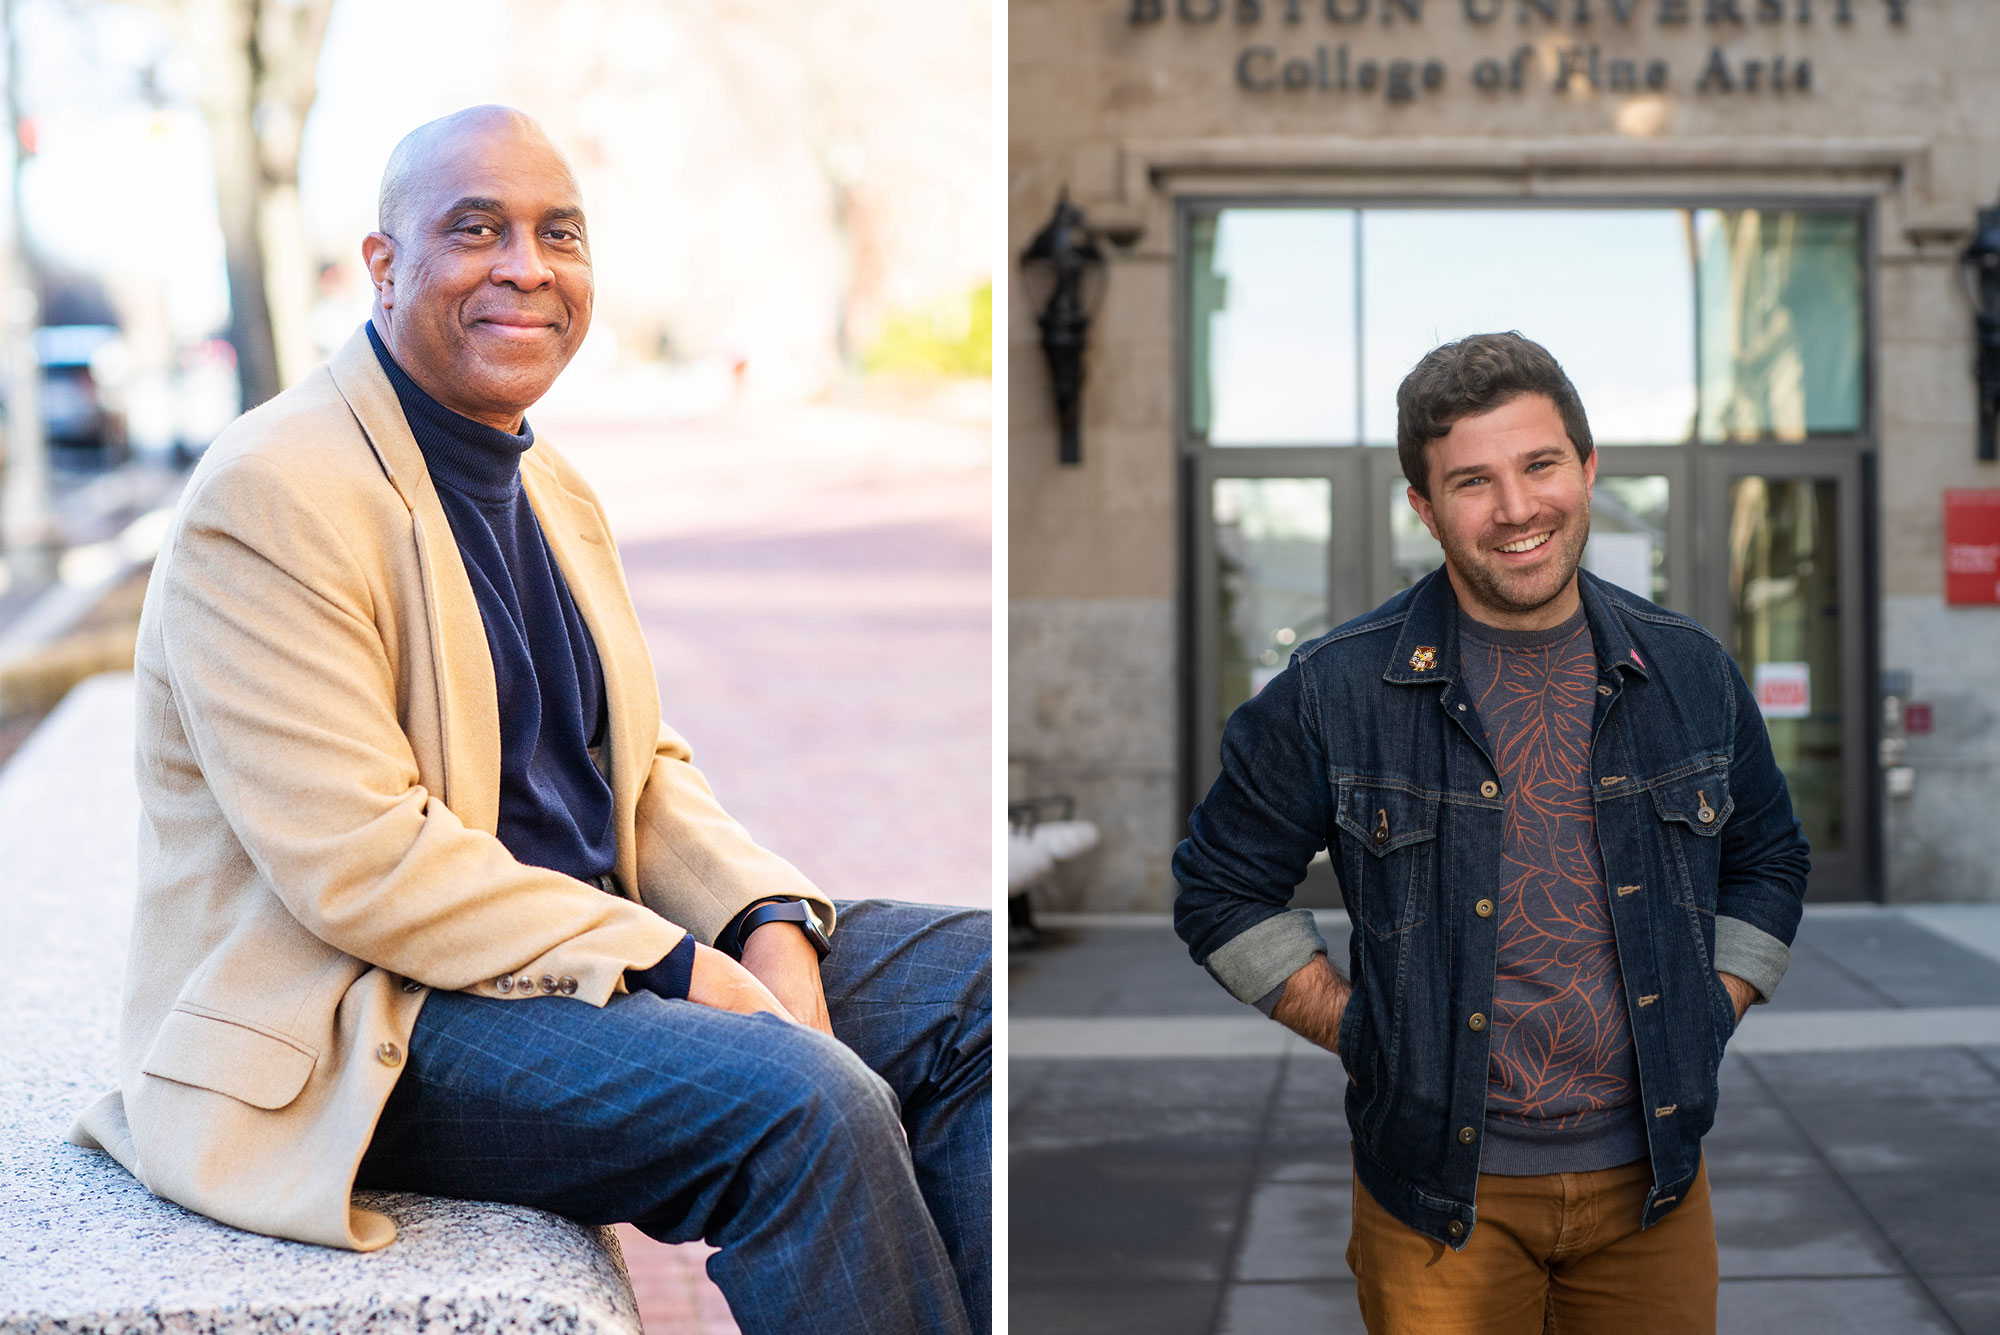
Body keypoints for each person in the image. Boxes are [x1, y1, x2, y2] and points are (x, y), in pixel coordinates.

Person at [68, 106, 989, 1335]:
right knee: (797, 1103)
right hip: (366, 1016)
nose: (526, 265)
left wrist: (762, 918)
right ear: (383, 266)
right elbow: (362, 861)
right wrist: (673, 963)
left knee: (978, 992)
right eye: (476, 230)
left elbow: (638, 767)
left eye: (558, 232)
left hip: (567, 954)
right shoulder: (270, 492)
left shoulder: (547, 480)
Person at [1172, 331, 1809, 1334]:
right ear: (1424, 509)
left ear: (1587, 470)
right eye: (1471, 482)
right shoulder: (1336, 689)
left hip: (1655, 1185)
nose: (1515, 508)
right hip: (1437, 1200)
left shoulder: (1686, 671)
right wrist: (1365, 1033)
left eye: (1539, 465)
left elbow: (1768, 857)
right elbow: (1216, 887)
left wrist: (1707, 1006)